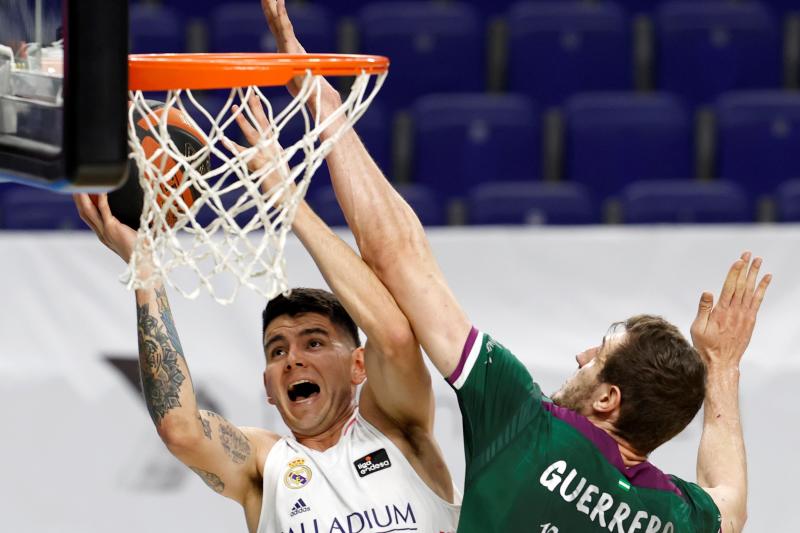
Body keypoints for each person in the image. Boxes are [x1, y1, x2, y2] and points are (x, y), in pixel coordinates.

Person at [256, 2, 772, 532]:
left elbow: (398, 255)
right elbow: (731, 506)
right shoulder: (671, 517)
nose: (581, 354)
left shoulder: (526, 424)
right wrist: (724, 366)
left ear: (606, 398)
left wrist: (324, 105)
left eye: (598, 356)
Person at [72, 58, 460, 533]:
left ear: (359, 364)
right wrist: (146, 274)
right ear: (269, 387)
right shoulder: (264, 464)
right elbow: (181, 428)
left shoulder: (401, 432)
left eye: (314, 342)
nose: (292, 359)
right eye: (278, 350)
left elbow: (396, 336)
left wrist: (288, 200)